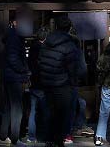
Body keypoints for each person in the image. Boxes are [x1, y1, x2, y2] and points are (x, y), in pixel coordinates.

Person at [38, 16, 87, 147]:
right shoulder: (69, 45)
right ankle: (58, 141)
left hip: (47, 84)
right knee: (62, 117)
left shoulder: (46, 43)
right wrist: (74, 81)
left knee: (50, 114)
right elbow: (76, 70)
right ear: (69, 28)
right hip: (63, 85)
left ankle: (49, 140)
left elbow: (40, 63)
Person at [0, 13, 31, 146]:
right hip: (15, 77)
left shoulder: (11, 35)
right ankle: (15, 139)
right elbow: (14, 58)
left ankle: (3, 137)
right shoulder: (15, 37)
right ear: (15, 22)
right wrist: (24, 70)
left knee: (7, 108)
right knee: (17, 109)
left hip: (8, 76)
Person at [26, 26, 49, 144]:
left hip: (33, 83)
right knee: (45, 110)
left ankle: (31, 136)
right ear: (45, 38)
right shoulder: (44, 49)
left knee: (33, 110)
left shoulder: (32, 48)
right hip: (42, 83)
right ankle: (43, 136)